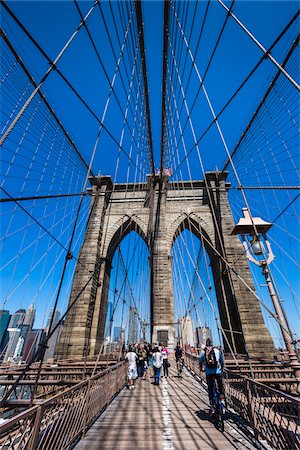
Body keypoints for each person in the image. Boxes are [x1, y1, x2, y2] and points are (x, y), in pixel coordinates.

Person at [199, 338, 224, 414]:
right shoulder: (217, 351)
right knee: (220, 387)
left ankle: (212, 405)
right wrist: (221, 369)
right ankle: (222, 401)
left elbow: (200, 361)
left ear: (206, 344)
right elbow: (221, 361)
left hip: (209, 373)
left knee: (210, 389)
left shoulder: (203, 352)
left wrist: (201, 368)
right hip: (218, 372)